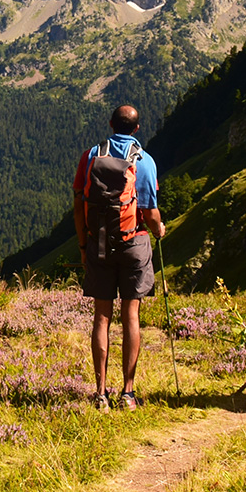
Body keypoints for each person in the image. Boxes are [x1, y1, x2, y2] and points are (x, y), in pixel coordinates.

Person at [73, 104, 164, 411]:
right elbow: (150, 213)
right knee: (131, 316)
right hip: (133, 242)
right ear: (137, 128)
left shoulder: (91, 156)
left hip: (98, 243)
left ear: (110, 124)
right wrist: (160, 228)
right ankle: (127, 392)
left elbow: (78, 204)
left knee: (102, 316)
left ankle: (100, 393)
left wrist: (84, 247)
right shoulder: (145, 161)